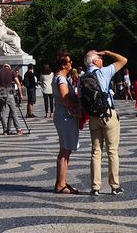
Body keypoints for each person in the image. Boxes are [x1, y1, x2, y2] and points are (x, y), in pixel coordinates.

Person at [84, 49, 127, 196]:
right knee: (112, 151)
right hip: (108, 115)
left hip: (93, 118)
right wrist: (108, 52)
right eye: (100, 58)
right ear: (95, 61)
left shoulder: (82, 77)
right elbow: (123, 60)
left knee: (96, 152)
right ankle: (114, 186)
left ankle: (95, 187)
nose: (102, 60)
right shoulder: (104, 72)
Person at [52, 52, 81, 194]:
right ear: (63, 65)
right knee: (64, 150)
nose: (71, 63)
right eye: (69, 61)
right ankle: (60, 184)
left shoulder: (59, 77)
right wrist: (78, 102)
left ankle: (62, 182)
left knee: (65, 150)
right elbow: (66, 99)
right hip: (65, 117)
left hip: (63, 116)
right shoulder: (61, 79)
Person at [0, 64, 23, 136]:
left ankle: (5, 130)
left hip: (1, 93)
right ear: (9, 67)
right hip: (9, 93)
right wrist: (20, 94)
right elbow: (18, 83)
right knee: (13, 111)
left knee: (3, 112)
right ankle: (18, 129)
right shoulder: (12, 71)